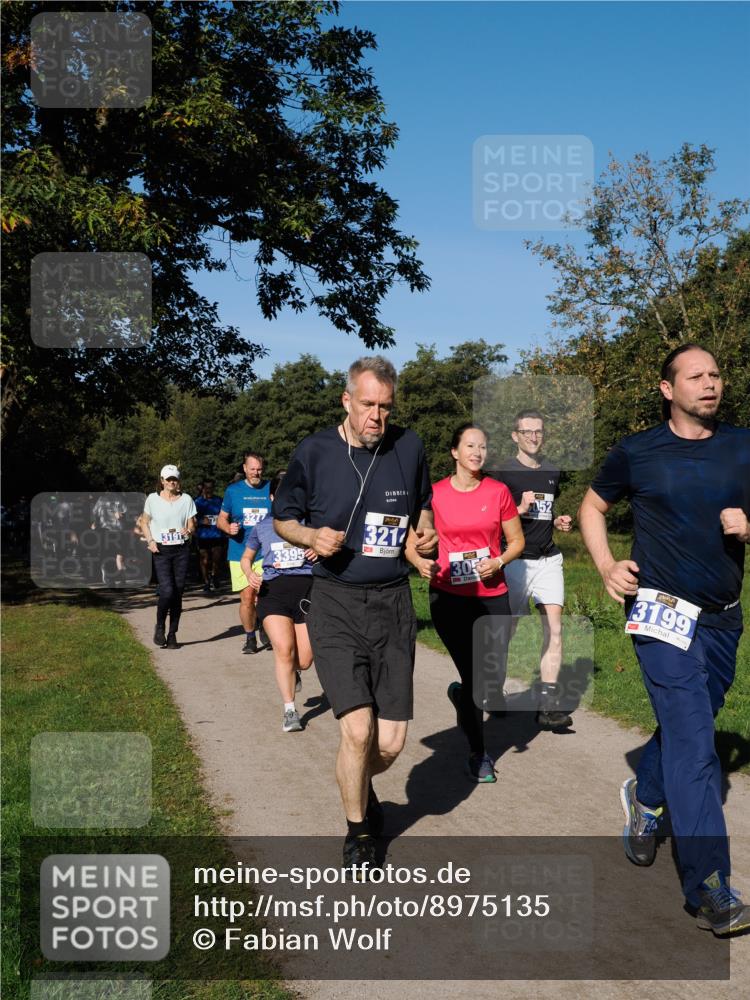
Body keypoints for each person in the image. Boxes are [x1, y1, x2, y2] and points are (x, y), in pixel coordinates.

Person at [578, 343, 750, 936]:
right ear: (667, 389)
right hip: (660, 614)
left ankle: (645, 800)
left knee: (692, 724)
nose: (710, 383)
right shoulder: (638, 452)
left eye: (716, 373)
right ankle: (710, 888)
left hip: (724, 617)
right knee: (697, 745)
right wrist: (604, 566)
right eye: (695, 376)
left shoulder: (743, 446)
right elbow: (593, 506)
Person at [273, 356, 436, 874]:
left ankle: (359, 786)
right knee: (358, 731)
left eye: (386, 407)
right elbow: (283, 519)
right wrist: (309, 535)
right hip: (335, 601)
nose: (377, 417)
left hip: (393, 603)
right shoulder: (315, 451)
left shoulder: (409, 446)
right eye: (368, 405)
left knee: (390, 743)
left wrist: (425, 532)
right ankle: (359, 831)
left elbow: (422, 507)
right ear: (347, 401)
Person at [429, 424, 524, 782]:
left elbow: (516, 541)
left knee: (493, 672)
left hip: (492, 594)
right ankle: (479, 753)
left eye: (483, 447)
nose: (477, 452)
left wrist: (498, 561)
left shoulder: (498, 491)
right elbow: (417, 536)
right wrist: (419, 556)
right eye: (470, 446)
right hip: (450, 596)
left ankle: (462, 697)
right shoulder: (435, 494)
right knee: (476, 676)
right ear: (455, 452)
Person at [492, 410, 574, 728]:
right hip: (514, 561)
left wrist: (557, 520)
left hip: (548, 560)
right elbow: (491, 518)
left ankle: (548, 705)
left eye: (538, 431)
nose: (533, 437)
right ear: (515, 436)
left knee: (554, 628)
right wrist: (518, 509)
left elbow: (545, 510)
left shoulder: (552, 470)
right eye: (526, 432)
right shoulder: (502, 473)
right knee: (506, 631)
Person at [241, 476, 317, 733]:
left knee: (304, 660)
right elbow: (246, 557)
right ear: (273, 498)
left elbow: (330, 552)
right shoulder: (262, 526)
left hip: (306, 593)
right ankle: (289, 710)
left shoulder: (310, 524)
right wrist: (249, 573)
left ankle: (293, 672)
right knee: (284, 650)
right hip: (273, 593)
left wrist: (319, 551)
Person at [217, 452, 271, 653]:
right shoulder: (233, 491)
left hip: (266, 552)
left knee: (266, 594)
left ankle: (265, 626)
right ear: (244, 468)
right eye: (252, 469)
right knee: (247, 597)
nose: (256, 473)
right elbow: (221, 518)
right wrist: (227, 527)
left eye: (259, 469)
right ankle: (250, 637)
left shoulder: (270, 489)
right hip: (240, 552)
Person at [140, 465, 196, 649]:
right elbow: (144, 522)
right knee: (167, 591)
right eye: (168, 479)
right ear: (162, 481)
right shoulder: (152, 499)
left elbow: (192, 524)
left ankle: (172, 634)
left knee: (178, 592)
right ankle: (159, 626)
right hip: (161, 551)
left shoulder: (186, 499)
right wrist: (150, 541)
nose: (172, 482)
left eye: (175, 479)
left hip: (181, 550)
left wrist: (188, 530)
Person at [91, 493, 128, 586]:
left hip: (119, 531)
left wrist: (121, 515)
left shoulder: (119, 498)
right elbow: (95, 513)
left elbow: (125, 512)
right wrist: (95, 523)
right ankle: (110, 579)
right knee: (109, 555)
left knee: (120, 555)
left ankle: (120, 577)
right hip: (105, 531)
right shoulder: (101, 499)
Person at [194, 478, 224, 592]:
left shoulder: (219, 500)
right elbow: (191, 519)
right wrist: (201, 521)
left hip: (217, 535)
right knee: (204, 560)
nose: (208, 490)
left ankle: (215, 576)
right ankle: (206, 581)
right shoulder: (197, 502)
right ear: (203, 488)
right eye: (206, 488)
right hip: (203, 535)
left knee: (216, 559)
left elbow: (225, 515)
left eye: (211, 488)